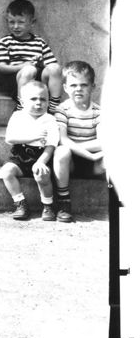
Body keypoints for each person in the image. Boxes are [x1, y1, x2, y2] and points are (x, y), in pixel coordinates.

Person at [52, 60, 103, 223]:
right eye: (73, 85)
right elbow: (63, 140)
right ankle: (63, 201)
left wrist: (89, 155)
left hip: (93, 165)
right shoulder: (62, 110)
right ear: (65, 88)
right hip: (70, 163)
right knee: (61, 152)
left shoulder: (98, 112)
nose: (79, 89)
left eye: (84, 85)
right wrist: (90, 153)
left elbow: (103, 142)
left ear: (92, 87)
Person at [1, 80, 59, 221]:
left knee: (42, 175)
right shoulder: (17, 117)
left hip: (42, 156)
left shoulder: (50, 119)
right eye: (33, 99)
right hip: (20, 156)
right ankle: (20, 203)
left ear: (48, 101)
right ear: (22, 101)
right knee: (7, 171)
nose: (38, 103)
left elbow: (51, 145)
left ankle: (48, 206)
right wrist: (34, 137)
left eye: (43, 99)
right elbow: (10, 138)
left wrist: (41, 162)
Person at [0, 0, 63, 113]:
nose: (15, 26)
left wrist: (42, 63)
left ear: (32, 22)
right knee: (29, 70)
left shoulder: (39, 42)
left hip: (38, 80)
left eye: (21, 22)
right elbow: (2, 68)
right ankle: (22, 107)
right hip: (15, 81)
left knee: (55, 68)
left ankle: (54, 105)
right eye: (11, 22)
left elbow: (51, 65)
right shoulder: (5, 41)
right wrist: (23, 66)